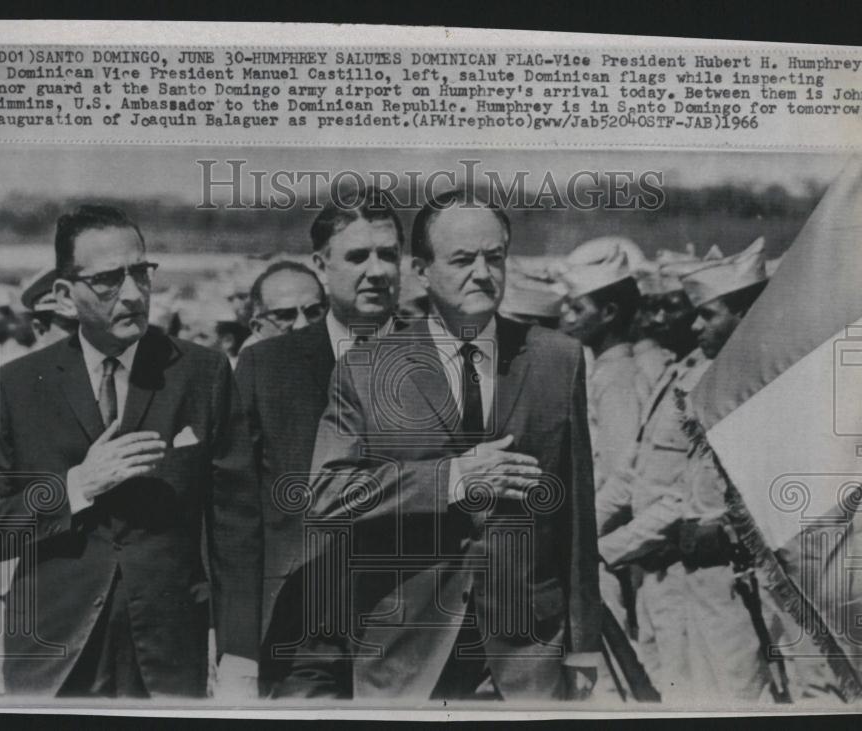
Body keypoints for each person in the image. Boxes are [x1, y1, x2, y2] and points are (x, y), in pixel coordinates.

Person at [0, 205, 262, 699]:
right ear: (64, 296)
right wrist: (77, 487)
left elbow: (237, 529)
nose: (135, 294)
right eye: (109, 280)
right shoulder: (14, 388)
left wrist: (241, 654)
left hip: (168, 661)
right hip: (50, 659)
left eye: (141, 273)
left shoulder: (202, 375)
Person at [306, 189, 602, 701]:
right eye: (463, 260)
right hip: (406, 652)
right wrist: (453, 479)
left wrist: (583, 646)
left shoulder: (559, 359)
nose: (483, 274)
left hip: (527, 652)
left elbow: (576, 514)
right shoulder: (367, 367)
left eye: (495, 257)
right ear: (421, 271)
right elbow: (327, 495)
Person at [234, 188, 403, 698]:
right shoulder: (267, 366)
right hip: (300, 630)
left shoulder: (438, 355)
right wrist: (236, 640)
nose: (376, 271)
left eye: (389, 255)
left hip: (411, 631)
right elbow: (231, 505)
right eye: (357, 256)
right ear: (321, 264)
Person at [596, 237, 774, 703]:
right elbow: (638, 470)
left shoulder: (741, 390)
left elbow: (689, 496)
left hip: (710, 571)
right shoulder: (684, 373)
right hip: (667, 572)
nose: (682, 322)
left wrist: (610, 545)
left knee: (728, 693)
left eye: (702, 313)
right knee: (670, 690)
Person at [558, 241, 646, 492]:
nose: (568, 318)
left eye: (578, 309)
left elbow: (615, 471)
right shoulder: (604, 370)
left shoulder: (617, 378)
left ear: (608, 313)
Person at [241, 260, 328, 351]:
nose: (301, 325)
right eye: (286, 315)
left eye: (313, 312)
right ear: (258, 328)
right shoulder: (248, 361)